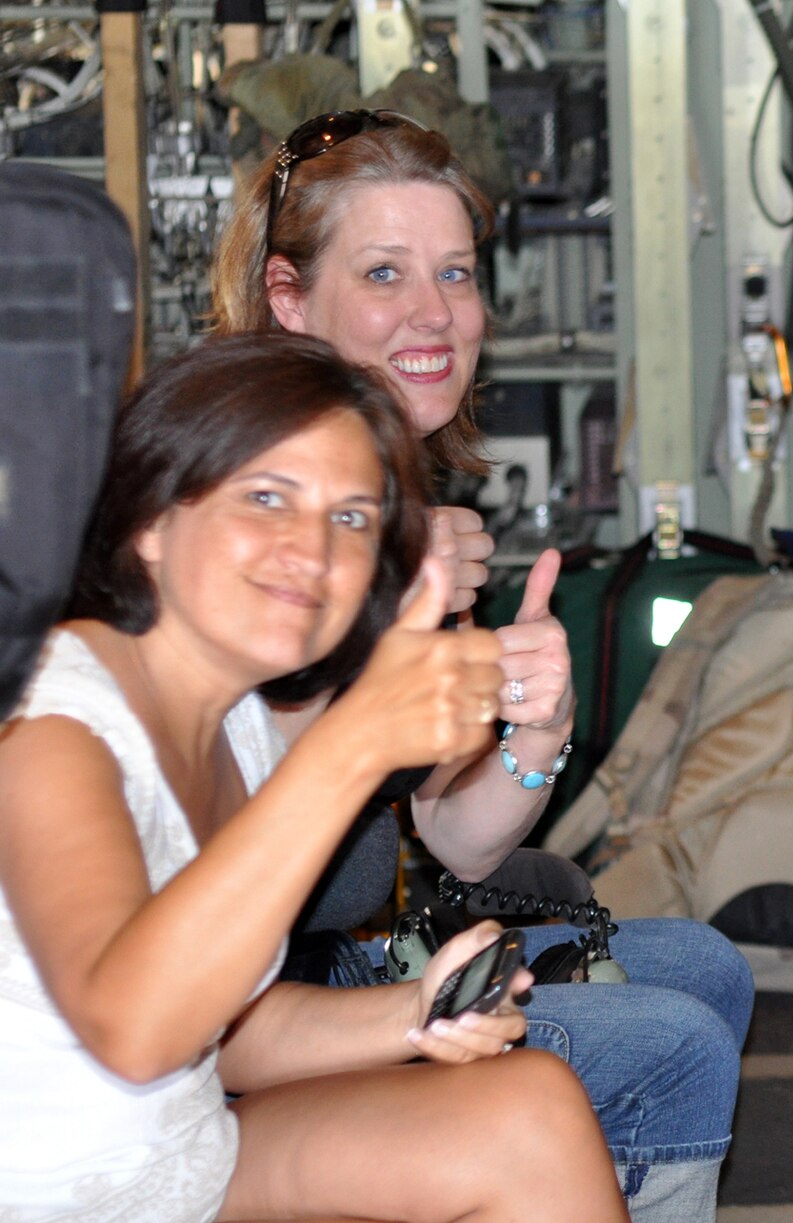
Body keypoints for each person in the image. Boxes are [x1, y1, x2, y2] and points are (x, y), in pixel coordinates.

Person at [208, 109, 750, 1218]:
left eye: (453, 273)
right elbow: (229, 817)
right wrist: (393, 635)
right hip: (244, 1027)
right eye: (384, 273)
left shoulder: (400, 502)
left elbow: (447, 832)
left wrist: (535, 733)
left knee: (705, 966)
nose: (432, 313)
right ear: (288, 298)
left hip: (348, 962)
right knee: (672, 1044)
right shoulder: (250, 515)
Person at [0, 333, 625, 1222]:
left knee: (532, 1110)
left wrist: (416, 1012)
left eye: (351, 518)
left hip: (189, 1161)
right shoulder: (46, 721)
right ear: (149, 519)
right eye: (266, 497)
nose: (312, 550)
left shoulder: (241, 720)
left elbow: (225, 1035)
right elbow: (136, 1030)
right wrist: (353, 745)